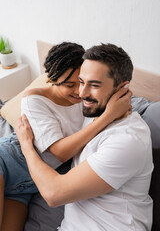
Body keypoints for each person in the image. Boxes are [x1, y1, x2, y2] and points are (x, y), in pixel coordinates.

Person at [16, 43, 153, 231]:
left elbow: (53, 194)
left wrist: (26, 146)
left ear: (123, 88)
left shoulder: (128, 139)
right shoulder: (93, 114)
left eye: (94, 85)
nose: (81, 93)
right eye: (81, 82)